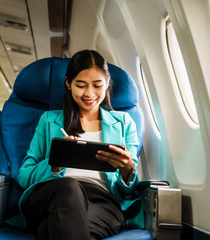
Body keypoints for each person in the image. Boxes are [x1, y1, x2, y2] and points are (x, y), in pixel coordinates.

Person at [18, 49, 139, 240]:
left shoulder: (124, 123)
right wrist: (54, 163)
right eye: (81, 85)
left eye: (97, 85)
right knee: (69, 187)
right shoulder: (49, 120)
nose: (89, 94)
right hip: (52, 195)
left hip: (101, 201)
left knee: (60, 229)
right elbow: (24, 176)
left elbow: (130, 189)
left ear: (107, 83)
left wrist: (127, 168)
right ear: (68, 84)